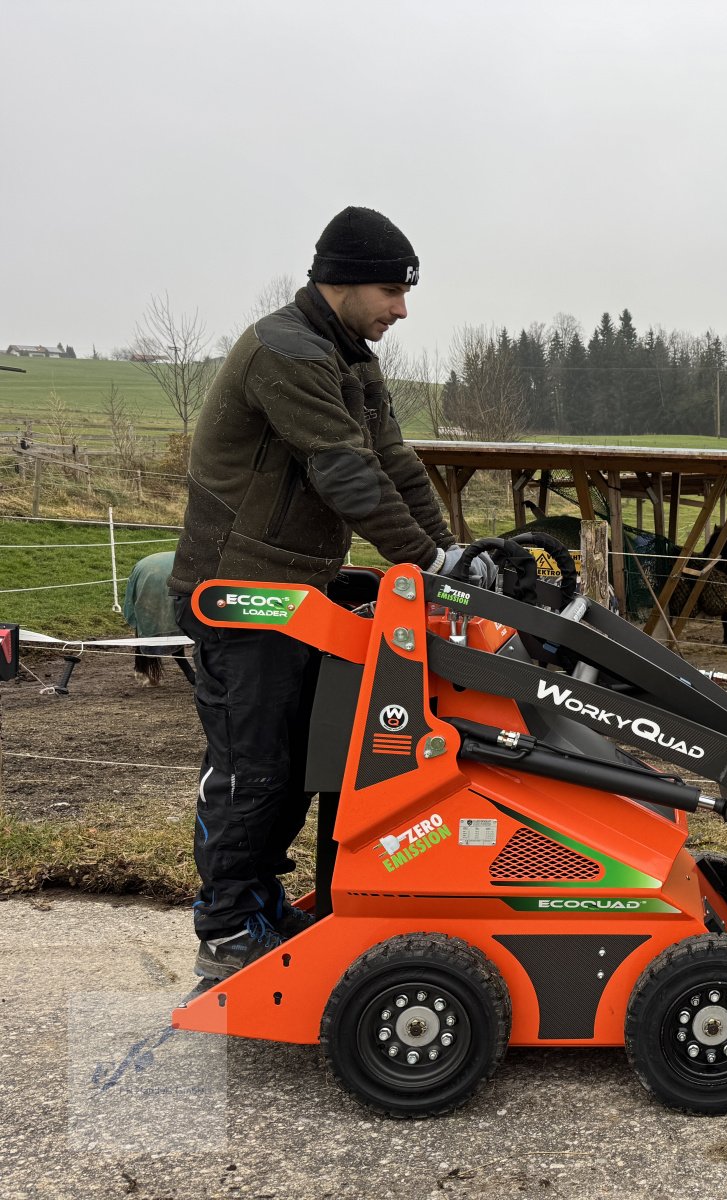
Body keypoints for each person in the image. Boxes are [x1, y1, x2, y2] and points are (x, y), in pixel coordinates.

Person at [169, 205, 491, 980]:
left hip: (298, 591)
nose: (401, 310)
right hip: (242, 588)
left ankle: (258, 905)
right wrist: (421, 559)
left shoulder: (350, 354)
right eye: (391, 291)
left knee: (310, 762)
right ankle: (224, 926)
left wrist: (444, 552)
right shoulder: (287, 351)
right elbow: (344, 471)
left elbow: (392, 461)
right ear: (342, 283)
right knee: (257, 767)